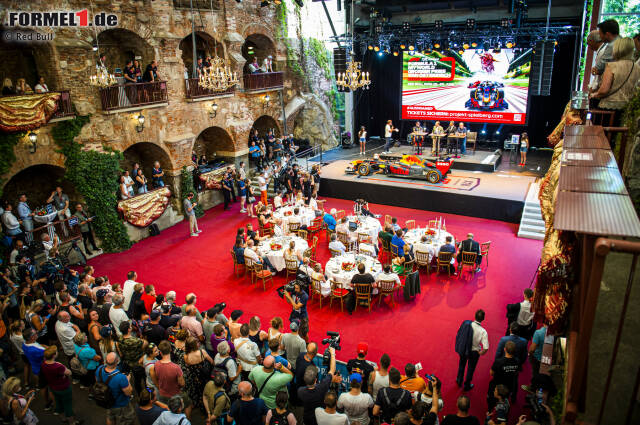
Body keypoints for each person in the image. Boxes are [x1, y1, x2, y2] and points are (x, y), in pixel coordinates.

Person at [590, 37, 640, 121]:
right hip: (626, 109)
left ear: (617, 49)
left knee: (601, 132)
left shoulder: (611, 66)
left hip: (608, 109)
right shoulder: (637, 67)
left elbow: (604, 90)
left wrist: (594, 95)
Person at [40, 346, 80, 424]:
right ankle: (72, 422)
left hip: (53, 387)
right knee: (68, 405)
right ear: (54, 355)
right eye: (56, 352)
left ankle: (63, 418)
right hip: (64, 388)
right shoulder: (58, 366)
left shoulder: (43, 364)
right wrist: (63, 367)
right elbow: (69, 372)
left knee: (58, 403)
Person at [298, 346, 337, 425]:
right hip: (319, 419)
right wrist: (332, 354)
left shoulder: (300, 391)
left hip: (307, 419)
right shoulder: (322, 388)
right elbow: (332, 370)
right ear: (316, 380)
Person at [456, 309, 489, 391]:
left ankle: (459, 380)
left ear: (474, 316)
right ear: (483, 319)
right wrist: (480, 353)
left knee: (461, 365)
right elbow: (486, 347)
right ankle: (467, 385)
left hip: (464, 348)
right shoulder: (483, 331)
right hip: (474, 352)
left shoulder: (466, 324)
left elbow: (459, 332)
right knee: (471, 369)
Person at [487, 341, 519, 410]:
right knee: (504, 400)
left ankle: (490, 412)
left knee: (492, 402)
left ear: (504, 349)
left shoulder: (498, 361)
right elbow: (517, 373)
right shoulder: (517, 361)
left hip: (497, 386)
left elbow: (491, 373)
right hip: (508, 386)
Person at [522, 324, 548, 392]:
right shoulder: (553, 333)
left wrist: (529, 353)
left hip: (537, 357)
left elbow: (532, 348)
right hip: (546, 358)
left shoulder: (538, 333)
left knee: (535, 373)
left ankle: (533, 388)